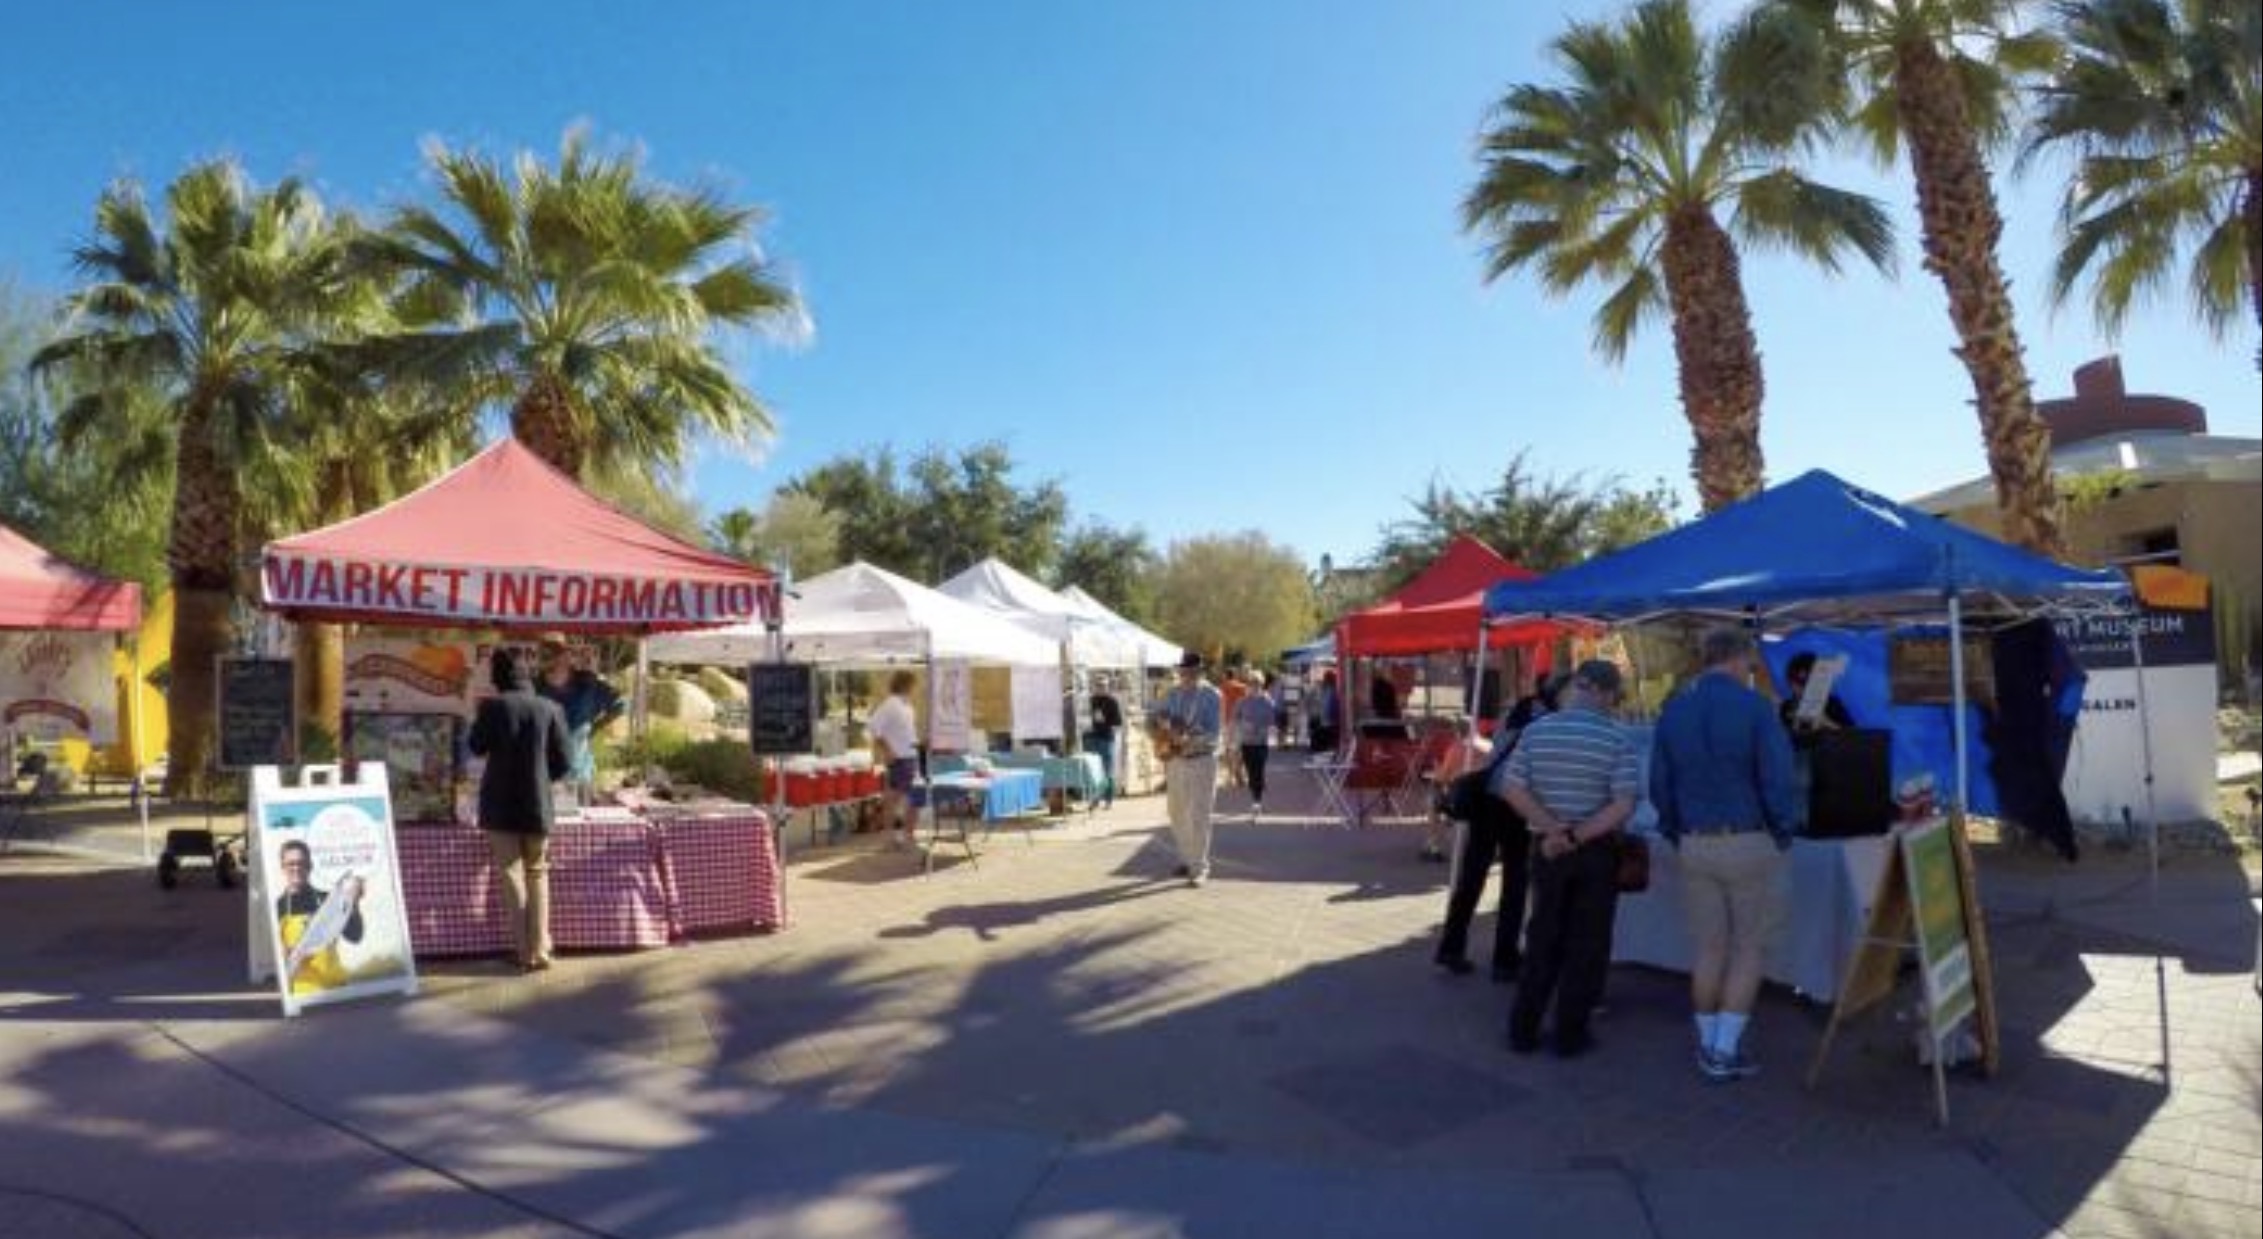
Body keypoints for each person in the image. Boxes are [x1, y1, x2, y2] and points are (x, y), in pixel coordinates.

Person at [1651, 628, 1800, 1081]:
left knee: (1709, 947)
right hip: (1747, 837)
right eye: (1750, 661)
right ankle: (1722, 1049)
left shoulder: (1675, 708)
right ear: (1737, 659)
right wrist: (1783, 829)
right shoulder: (1756, 707)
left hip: (1694, 840)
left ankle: (1710, 1040)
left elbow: (1659, 783)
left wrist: (1675, 830)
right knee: (1747, 947)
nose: (1751, 668)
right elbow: (1778, 778)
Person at [1501, 659, 1639, 1058]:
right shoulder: (1617, 737)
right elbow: (1623, 804)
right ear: (1604, 692)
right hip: (1595, 851)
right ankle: (1569, 1034)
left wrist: (1551, 830)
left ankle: (1523, 1029)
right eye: (1615, 696)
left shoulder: (1536, 730)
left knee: (1542, 937)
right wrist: (1575, 835)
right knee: (1586, 943)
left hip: (1548, 849)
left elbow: (1512, 788)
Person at [467, 647, 572, 972]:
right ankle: (541, 949)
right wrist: (541, 776)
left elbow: (475, 746)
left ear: (499, 676)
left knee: (511, 873)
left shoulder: (492, 707)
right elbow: (565, 762)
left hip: (499, 803)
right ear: (527, 674)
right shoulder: (550, 708)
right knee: (538, 872)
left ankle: (524, 952)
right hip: (538, 802)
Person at [1431, 711, 1531, 982]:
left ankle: (1451, 947)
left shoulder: (1512, 715)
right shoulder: (1546, 722)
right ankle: (1505, 958)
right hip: (1517, 805)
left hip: (1488, 800)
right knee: (1515, 884)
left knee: (1471, 878)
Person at [1156, 650, 1224, 886]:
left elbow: (1214, 732)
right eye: (1183, 672)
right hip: (1176, 760)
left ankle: (1199, 867)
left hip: (1202, 759)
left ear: (1200, 672)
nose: (1186, 676)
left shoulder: (1211, 695)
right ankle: (1187, 858)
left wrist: (1190, 739)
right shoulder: (1172, 693)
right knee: (1176, 811)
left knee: (1199, 814)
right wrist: (1160, 730)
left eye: (1191, 672)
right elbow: (1158, 717)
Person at [534, 634, 624, 803]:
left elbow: (619, 705)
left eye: (552, 653)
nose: (546, 658)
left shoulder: (588, 684)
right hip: (543, 774)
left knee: (581, 815)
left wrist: (595, 727)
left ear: (566, 657)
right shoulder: (535, 687)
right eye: (542, 654)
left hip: (579, 773)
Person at [273, 838, 365, 994]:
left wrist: (353, 903)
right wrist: (284, 957)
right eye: (290, 864)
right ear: (282, 867)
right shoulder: (277, 907)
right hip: (303, 993)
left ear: (310, 866)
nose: (296, 868)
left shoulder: (327, 899)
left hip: (338, 987)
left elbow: (355, 937)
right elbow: (275, 954)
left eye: (301, 863)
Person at [868, 670, 924, 850]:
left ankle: (904, 836)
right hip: (900, 758)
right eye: (913, 684)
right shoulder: (891, 704)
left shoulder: (907, 705)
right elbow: (873, 727)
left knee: (910, 798)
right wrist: (888, 750)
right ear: (906, 684)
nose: (916, 688)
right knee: (898, 799)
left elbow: (905, 732)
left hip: (911, 756)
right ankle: (895, 838)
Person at [1777, 650, 1855, 749]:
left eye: (1807, 683)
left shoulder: (1833, 704)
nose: (1801, 689)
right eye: (1797, 682)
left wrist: (1827, 723)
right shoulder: (1787, 708)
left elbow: (1854, 740)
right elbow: (1782, 743)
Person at [1234, 670, 1277, 818]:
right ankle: (1257, 791)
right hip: (1246, 742)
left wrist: (1262, 729)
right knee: (1251, 772)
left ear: (1261, 685)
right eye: (1251, 683)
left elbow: (1272, 724)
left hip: (1261, 743)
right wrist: (1242, 726)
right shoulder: (1242, 701)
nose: (1254, 686)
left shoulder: (1268, 702)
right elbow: (1235, 719)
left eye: (1257, 684)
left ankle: (1256, 802)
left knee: (1258, 770)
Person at [1087, 676, 1124, 809]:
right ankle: (1095, 799)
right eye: (1098, 685)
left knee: (1107, 770)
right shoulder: (1090, 700)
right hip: (1091, 738)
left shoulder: (1112, 701)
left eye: (1103, 685)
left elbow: (1118, 722)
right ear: (1094, 686)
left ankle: (1108, 800)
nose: (1101, 687)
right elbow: (1084, 717)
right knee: (1093, 771)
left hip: (1106, 739)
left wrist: (1105, 721)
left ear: (1108, 687)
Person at [1220, 669, 1251, 789]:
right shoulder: (1243, 687)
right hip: (1240, 721)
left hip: (1227, 721)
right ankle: (1239, 775)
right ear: (1235, 676)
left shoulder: (1223, 687)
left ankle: (1230, 776)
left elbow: (1221, 705)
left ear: (1226, 676)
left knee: (1228, 749)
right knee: (1239, 749)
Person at [1309, 670, 1341, 753]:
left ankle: (1324, 747)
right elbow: (1326, 703)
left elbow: (1326, 703)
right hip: (1326, 716)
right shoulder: (1329, 689)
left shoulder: (1328, 688)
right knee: (1326, 734)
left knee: (1325, 733)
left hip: (1326, 716)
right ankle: (1324, 747)